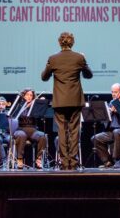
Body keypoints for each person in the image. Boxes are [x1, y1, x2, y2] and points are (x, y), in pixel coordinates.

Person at [41, 32, 93, 170]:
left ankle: (65, 163)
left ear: (60, 43)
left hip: (60, 101)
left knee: (62, 132)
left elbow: (44, 77)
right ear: (72, 43)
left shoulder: (53, 59)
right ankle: (73, 162)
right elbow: (89, 75)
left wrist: (49, 66)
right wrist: (84, 61)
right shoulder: (79, 57)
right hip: (75, 100)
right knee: (74, 131)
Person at [91, 83, 120, 169]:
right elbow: (106, 122)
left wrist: (118, 110)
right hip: (112, 131)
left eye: (115, 92)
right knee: (95, 138)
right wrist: (108, 113)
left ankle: (118, 161)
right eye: (112, 92)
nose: (113, 94)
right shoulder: (111, 102)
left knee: (116, 132)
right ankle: (108, 161)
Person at [13, 88, 47, 169]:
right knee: (21, 135)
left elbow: (39, 114)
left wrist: (41, 103)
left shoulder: (35, 106)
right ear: (23, 96)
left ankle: (39, 159)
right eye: (27, 95)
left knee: (43, 136)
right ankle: (20, 159)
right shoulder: (19, 105)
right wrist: (25, 105)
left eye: (31, 95)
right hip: (20, 129)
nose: (29, 97)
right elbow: (16, 116)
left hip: (32, 131)